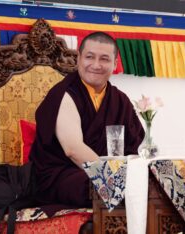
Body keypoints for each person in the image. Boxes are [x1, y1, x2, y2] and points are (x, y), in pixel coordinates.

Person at [29, 32, 145, 215]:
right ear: (79, 59)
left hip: (102, 172)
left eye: (104, 59)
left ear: (115, 64)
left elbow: (132, 148)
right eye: (89, 57)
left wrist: (137, 173)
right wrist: (111, 178)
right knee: (106, 188)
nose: (96, 65)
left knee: (151, 181)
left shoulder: (120, 100)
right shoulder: (63, 94)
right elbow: (73, 149)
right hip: (61, 175)